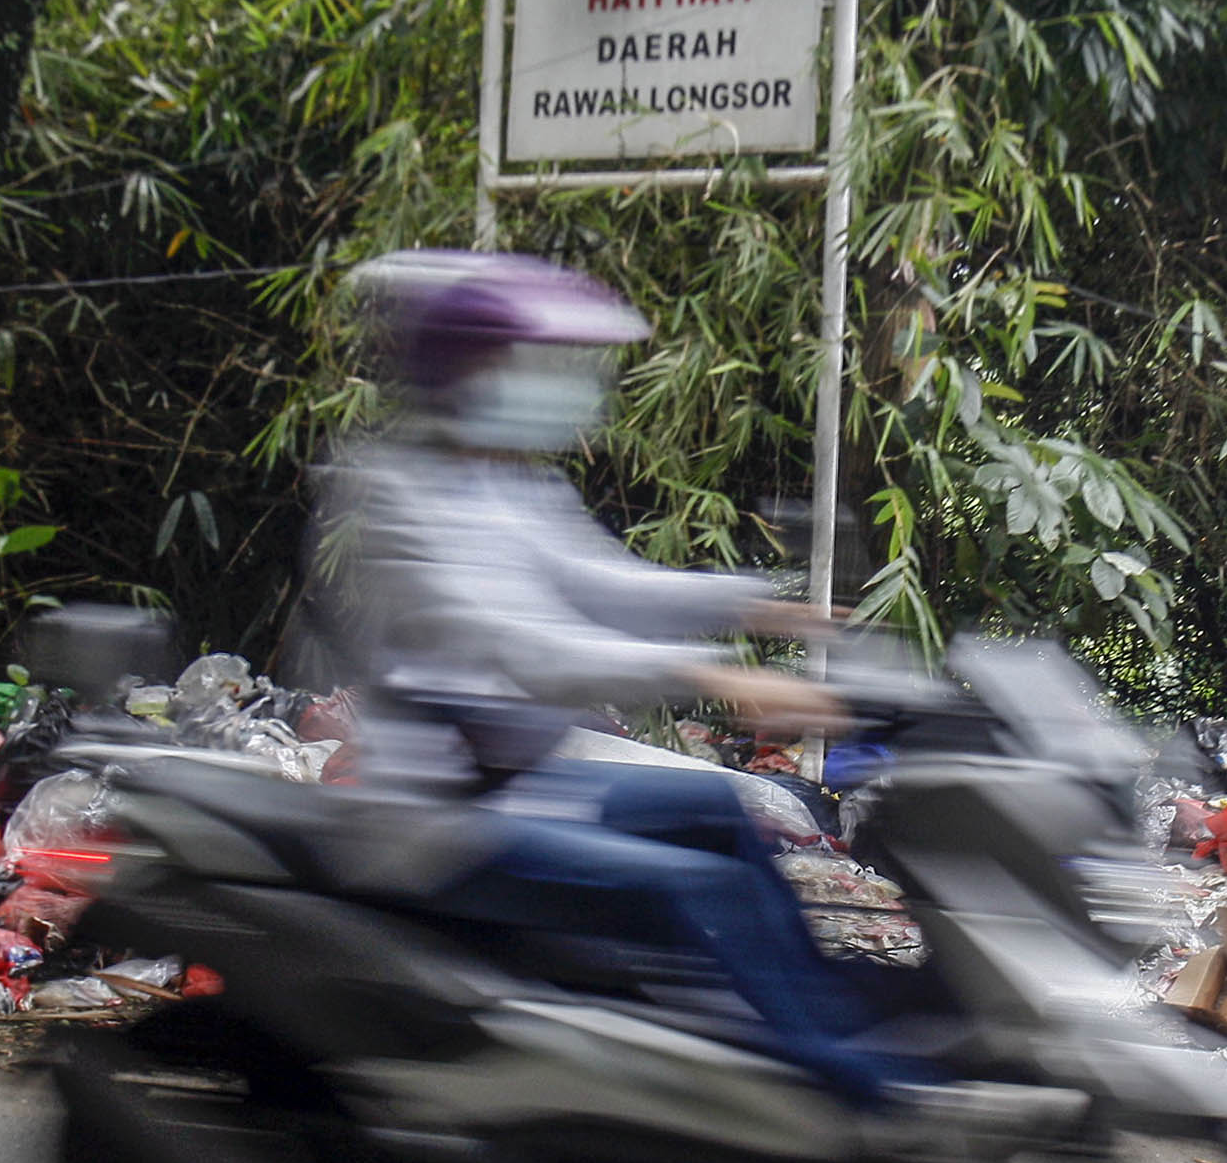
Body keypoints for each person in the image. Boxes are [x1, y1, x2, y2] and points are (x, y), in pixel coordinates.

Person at [307, 252, 894, 1103]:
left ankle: (825, 1025)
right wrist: (705, 671)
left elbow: (608, 584)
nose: (556, 387)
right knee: (688, 882)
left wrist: (766, 607)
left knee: (721, 812)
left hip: (520, 789)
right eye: (531, 366)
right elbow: (524, 645)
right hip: (444, 827)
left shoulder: (511, 484)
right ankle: (837, 1094)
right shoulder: (401, 491)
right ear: (469, 371)